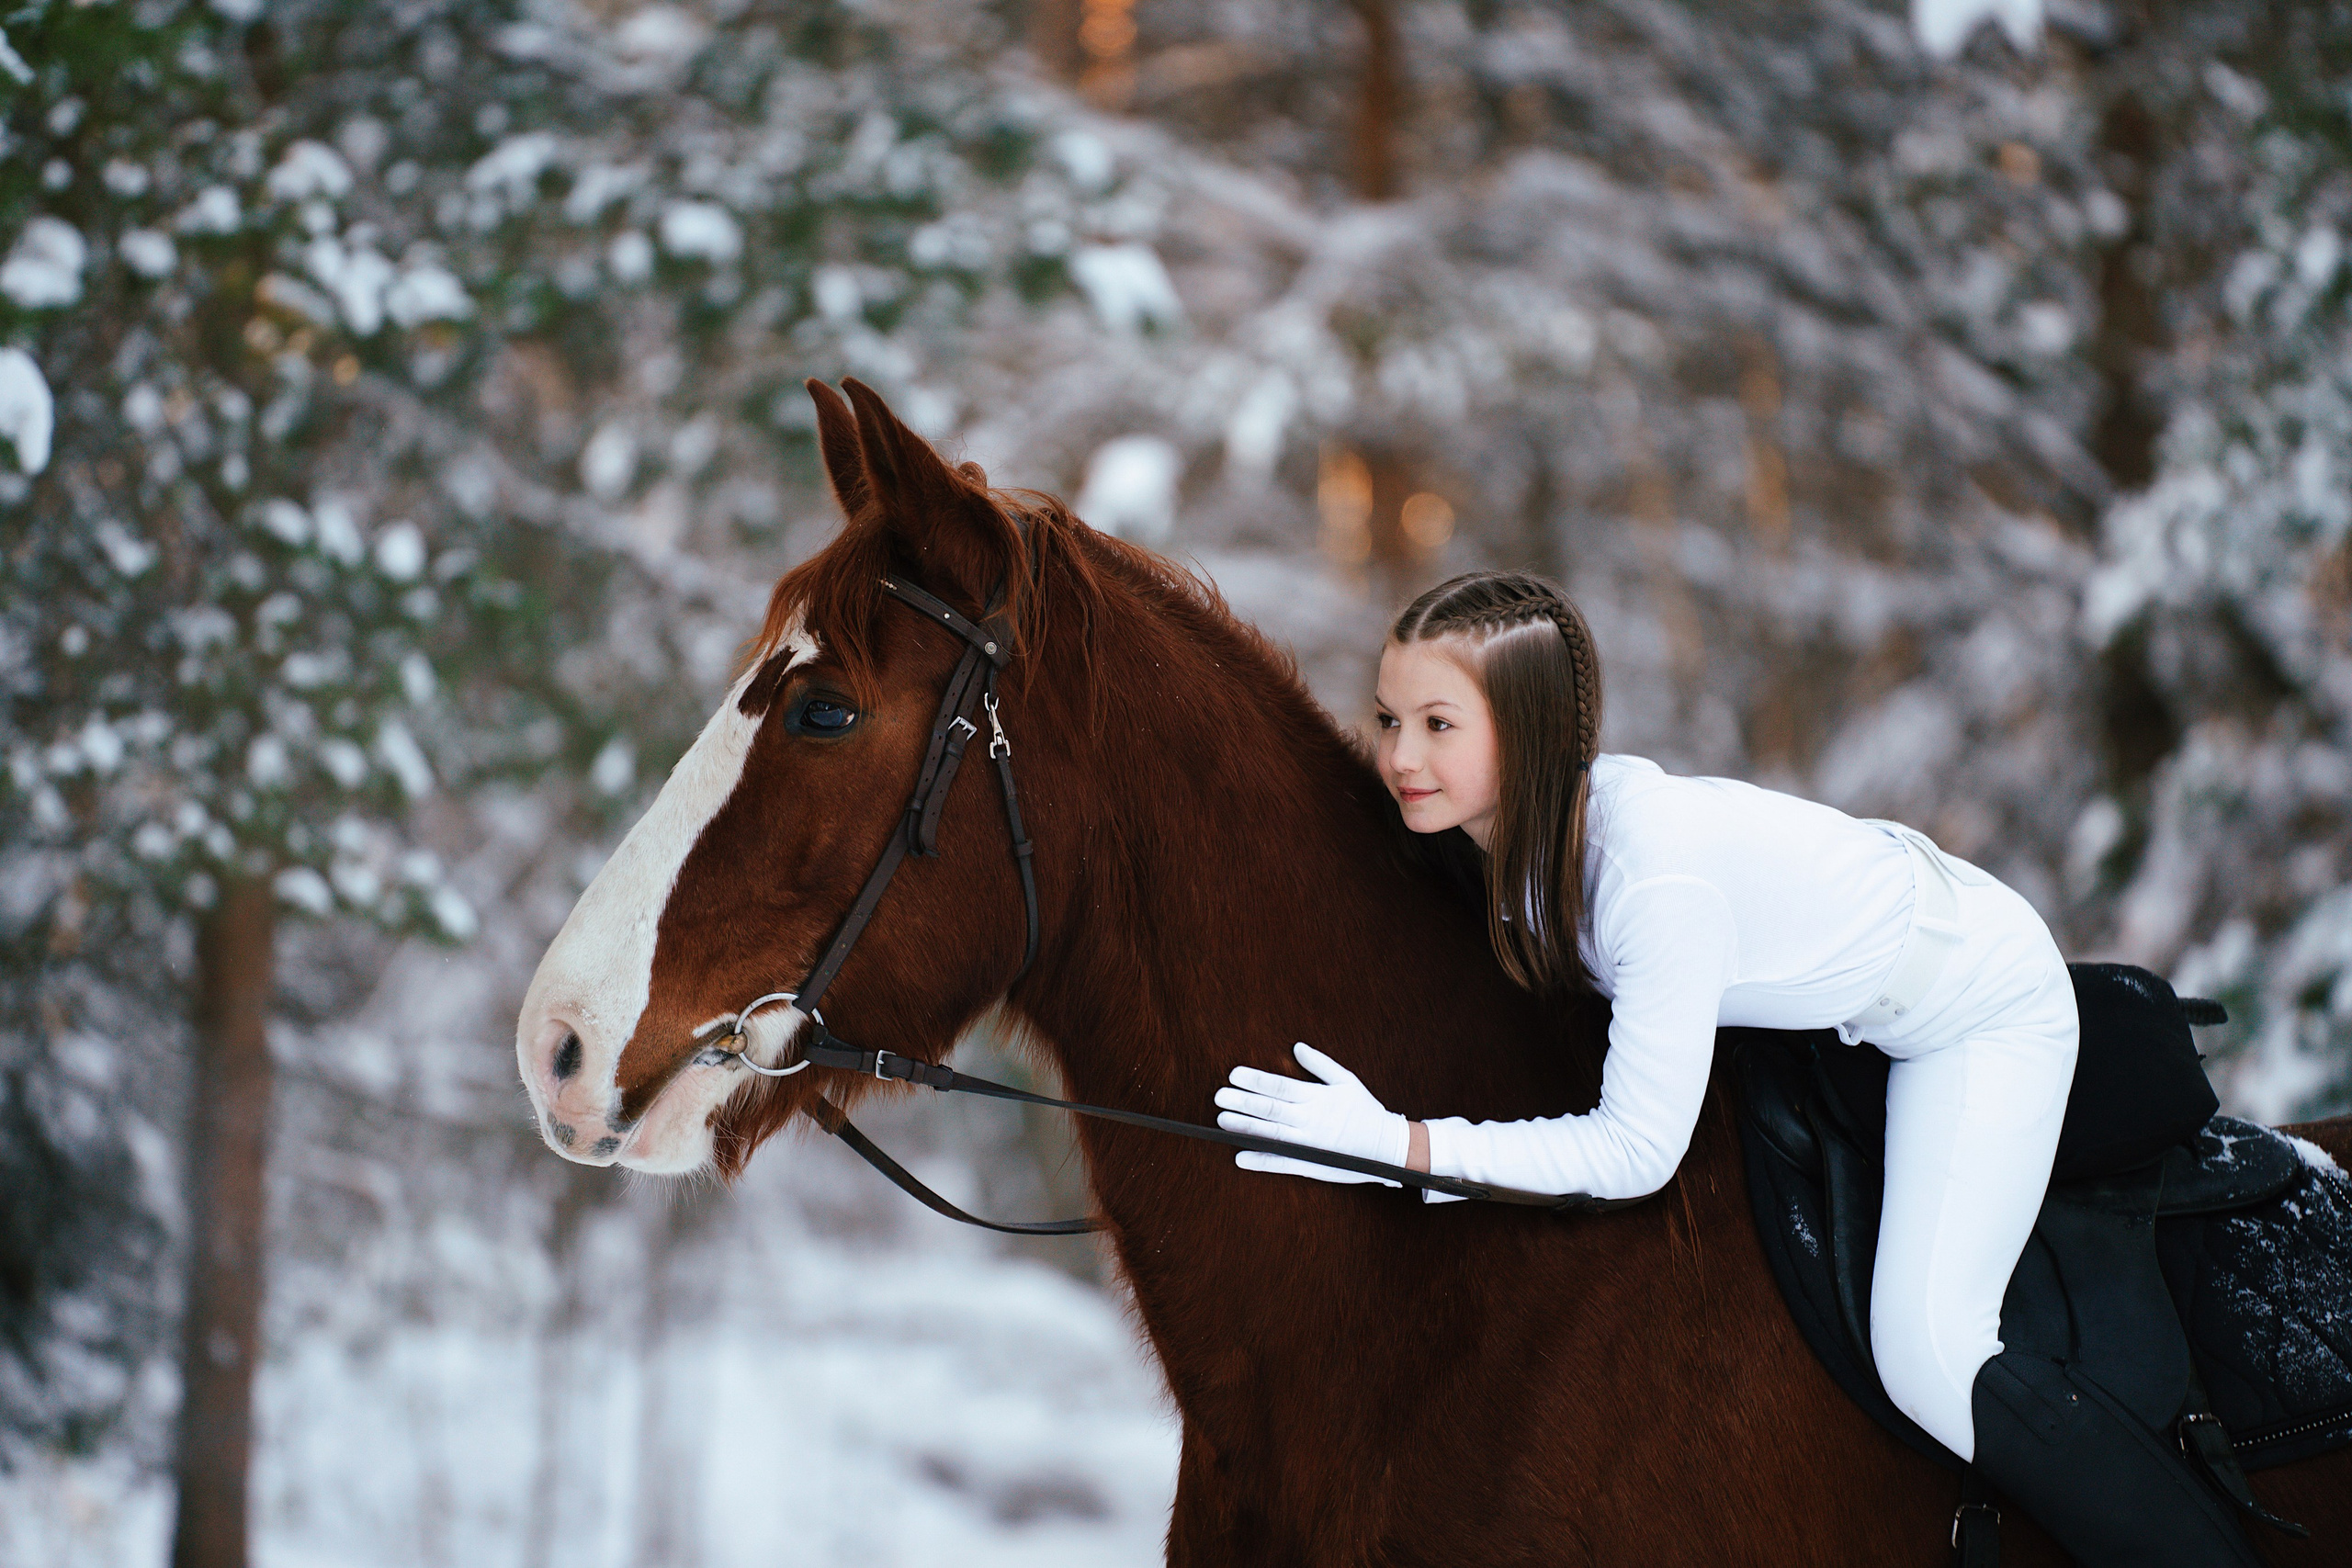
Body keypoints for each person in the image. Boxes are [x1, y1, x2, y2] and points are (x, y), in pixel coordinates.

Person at [1213, 570, 2261, 1566]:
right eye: (1388, 717)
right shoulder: (1515, 837)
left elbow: (1636, 1152)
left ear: (1526, 734)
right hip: (1844, 999)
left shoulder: (1648, 883)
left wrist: (1401, 1146)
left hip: (1979, 1006)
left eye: (1439, 725)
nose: (1399, 754)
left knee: (1930, 1356)